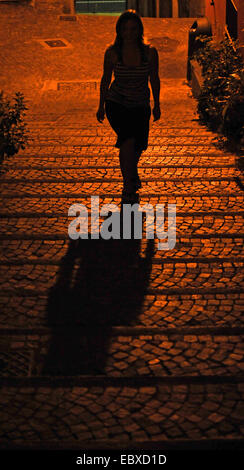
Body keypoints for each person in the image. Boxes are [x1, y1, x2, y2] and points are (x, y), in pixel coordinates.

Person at [96, 9, 161, 204]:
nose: (129, 33)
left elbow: (154, 79)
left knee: (139, 146)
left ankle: (132, 174)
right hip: (117, 104)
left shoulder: (149, 52)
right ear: (119, 31)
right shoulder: (112, 53)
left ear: (139, 30)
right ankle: (128, 186)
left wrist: (157, 104)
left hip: (140, 105)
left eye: (133, 29)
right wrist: (101, 106)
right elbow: (106, 79)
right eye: (125, 29)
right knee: (128, 141)